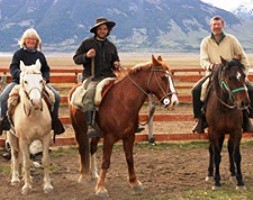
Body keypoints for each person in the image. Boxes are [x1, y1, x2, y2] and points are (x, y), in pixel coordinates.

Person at [73, 17, 144, 137]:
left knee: (126, 94)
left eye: (105, 29)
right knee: (89, 94)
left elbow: (115, 60)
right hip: (92, 77)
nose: (102, 31)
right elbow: (76, 59)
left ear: (108, 31)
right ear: (96, 30)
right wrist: (86, 56)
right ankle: (90, 125)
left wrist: (116, 63)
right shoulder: (87, 43)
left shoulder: (111, 46)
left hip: (108, 76)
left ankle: (132, 123)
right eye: (100, 29)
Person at [192, 16, 253, 134]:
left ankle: (247, 119)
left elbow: (243, 57)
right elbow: (203, 60)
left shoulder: (232, 39)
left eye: (218, 24)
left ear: (222, 25)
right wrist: (210, 66)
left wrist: (244, 75)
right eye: (214, 25)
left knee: (251, 89)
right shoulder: (205, 41)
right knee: (196, 89)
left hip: (232, 75)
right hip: (212, 74)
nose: (216, 27)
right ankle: (200, 119)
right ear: (211, 27)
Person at [0, 28, 65, 136]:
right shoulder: (18, 54)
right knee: (3, 97)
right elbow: (13, 68)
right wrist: (20, 74)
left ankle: (54, 121)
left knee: (56, 96)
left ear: (37, 41)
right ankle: (4, 121)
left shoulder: (40, 55)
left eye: (33, 39)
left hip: (38, 83)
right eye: (29, 39)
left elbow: (45, 69)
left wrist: (45, 78)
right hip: (19, 82)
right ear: (24, 41)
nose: (31, 41)